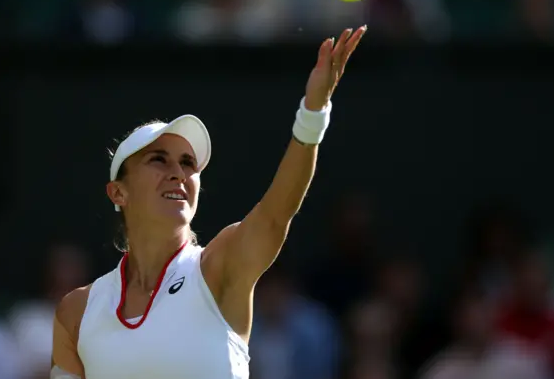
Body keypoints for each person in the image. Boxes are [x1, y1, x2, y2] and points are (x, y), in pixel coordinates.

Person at [50, 25, 367, 379]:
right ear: (118, 193)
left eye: (188, 164)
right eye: (159, 159)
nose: (179, 173)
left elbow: (277, 213)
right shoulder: (76, 312)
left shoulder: (220, 266)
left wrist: (313, 112)